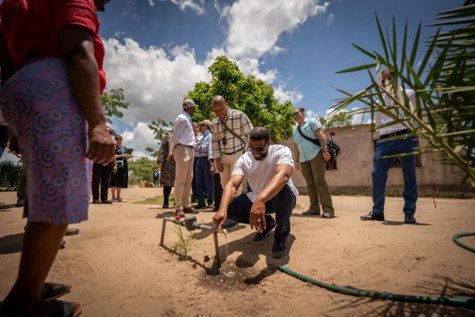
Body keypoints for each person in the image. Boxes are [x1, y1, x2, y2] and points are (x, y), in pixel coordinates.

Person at [0, 0, 115, 315]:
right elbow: (78, 51)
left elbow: (6, 61)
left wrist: (16, 123)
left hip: (21, 89)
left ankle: (33, 282)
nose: (104, 5)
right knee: (59, 196)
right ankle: (23, 302)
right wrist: (98, 124)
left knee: (42, 194)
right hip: (54, 89)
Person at [212, 127, 299, 259]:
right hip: (258, 198)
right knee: (231, 208)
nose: (255, 152)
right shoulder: (244, 159)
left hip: (282, 197)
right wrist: (222, 210)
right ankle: (267, 224)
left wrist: (260, 199)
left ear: (268, 144)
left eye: (259, 149)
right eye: (252, 148)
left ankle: (281, 237)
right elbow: (233, 184)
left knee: (283, 190)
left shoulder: (281, 151)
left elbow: (284, 175)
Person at [361, 69, 418, 224]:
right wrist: (387, 131)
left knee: (409, 174)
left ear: (395, 79)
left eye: (388, 78)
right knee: (377, 173)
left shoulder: (409, 94)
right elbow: (378, 123)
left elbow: (415, 115)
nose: (385, 82)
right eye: (383, 79)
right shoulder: (380, 101)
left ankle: (409, 213)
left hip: (404, 136)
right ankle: (378, 211)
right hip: (385, 140)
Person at [293, 108, 335, 218]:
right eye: (293, 115)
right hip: (303, 159)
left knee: (319, 181)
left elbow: (321, 135)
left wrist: (325, 150)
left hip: (316, 154)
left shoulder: (311, 122)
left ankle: (328, 210)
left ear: (302, 113)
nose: (295, 115)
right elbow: (297, 147)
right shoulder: (295, 130)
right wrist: (297, 161)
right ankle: (314, 209)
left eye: (296, 113)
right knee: (310, 184)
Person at [210, 95, 253, 190]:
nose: (219, 112)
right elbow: (215, 142)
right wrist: (217, 160)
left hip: (239, 154)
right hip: (223, 157)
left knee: (237, 185)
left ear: (226, 104)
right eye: (215, 111)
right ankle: (229, 205)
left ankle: (237, 204)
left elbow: (250, 134)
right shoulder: (214, 123)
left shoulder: (239, 115)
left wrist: (246, 153)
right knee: (225, 186)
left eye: (221, 109)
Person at [168, 99, 198, 217]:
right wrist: (171, 152)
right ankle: (178, 207)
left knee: (188, 179)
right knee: (180, 180)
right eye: (194, 108)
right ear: (189, 107)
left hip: (189, 149)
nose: (195, 110)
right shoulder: (182, 118)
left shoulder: (187, 119)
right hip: (182, 149)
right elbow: (174, 137)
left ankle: (186, 205)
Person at [194, 120, 214, 209]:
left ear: (206, 126)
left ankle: (211, 201)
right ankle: (201, 201)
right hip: (199, 159)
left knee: (208, 181)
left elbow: (206, 149)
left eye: (202, 125)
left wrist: (199, 147)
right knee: (199, 181)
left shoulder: (210, 136)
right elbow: (195, 148)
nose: (200, 127)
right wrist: (200, 147)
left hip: (206, 159)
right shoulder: (201, 137)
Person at [110, 134, 131, 202]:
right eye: (117, 139)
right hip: (114, 165)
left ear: (122, 139)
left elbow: (126, 156)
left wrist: (128, 156)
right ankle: (113, 197)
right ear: (115, 139)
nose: (119, 140)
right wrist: (122, 155)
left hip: (123, 166)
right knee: (113, 180)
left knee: (120, 181)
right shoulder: (113, 147)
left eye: (120, 138)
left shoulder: (124, 148)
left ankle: (118, 197)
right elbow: (113, 156)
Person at [156, 134, 175, 208]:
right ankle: (166, 202)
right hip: (168, 162)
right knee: (167, 183)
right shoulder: (167, 137)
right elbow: (162, 149)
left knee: (179, 183)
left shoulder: (182, 136)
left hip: (179, 161)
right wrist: (159, 161)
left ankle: (177, 202)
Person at [191, 122, 202, 203]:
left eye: (196, 127)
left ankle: (201, 196)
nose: (194, 128)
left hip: (199, 158)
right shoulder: (190, 137)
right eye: (193, 127)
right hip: (192, 159)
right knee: (192, 179)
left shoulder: (201, 136)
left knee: (199, 179)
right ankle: (194, 195)